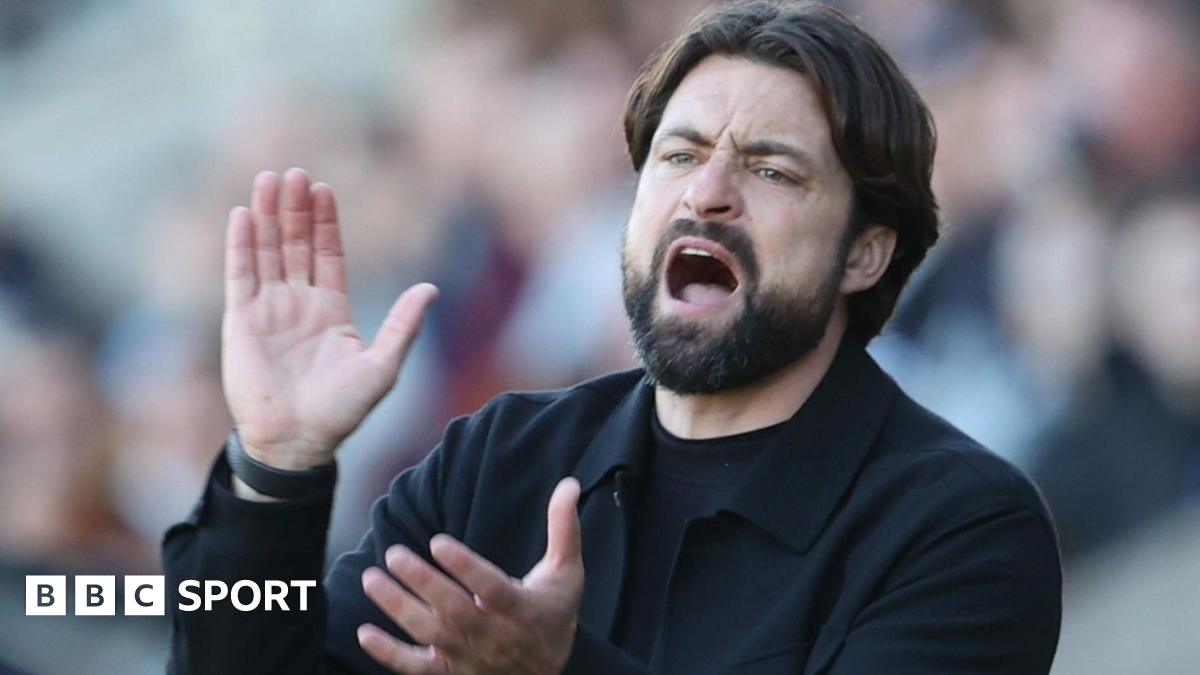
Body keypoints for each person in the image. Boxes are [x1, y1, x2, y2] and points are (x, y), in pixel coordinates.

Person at [163, 2, 1061, 673]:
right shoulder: (495, 461)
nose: (704, 193)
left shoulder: (960, 527)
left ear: (865, 252)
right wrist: (275, 468)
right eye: (678, 155)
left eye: (771, 169)